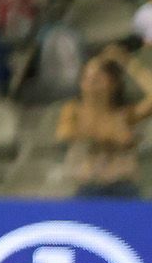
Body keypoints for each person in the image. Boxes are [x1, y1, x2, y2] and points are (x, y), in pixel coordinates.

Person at [59, 52, 144, 197]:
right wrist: (109, 136)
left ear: (113, 82)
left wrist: (126, 61)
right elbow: (65, 134)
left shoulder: (125, 114)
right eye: (87, 76)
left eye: (99, 75)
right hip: (88, 187)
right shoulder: (72, 110)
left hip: (123, 187)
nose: (92, 80)